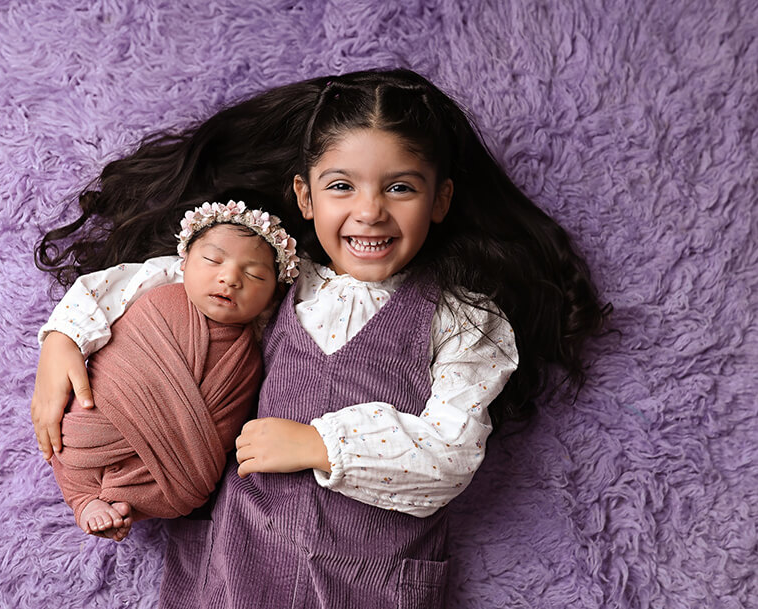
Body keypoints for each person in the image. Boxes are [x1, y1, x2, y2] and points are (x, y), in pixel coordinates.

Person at [32, 69, 608, 608]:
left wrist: (320, 443)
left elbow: (452, 454)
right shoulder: (277, 278)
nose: (370, 212)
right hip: (238, 563)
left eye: (401, 188)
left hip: (371, 579)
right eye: (341, 186)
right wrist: (64, 335)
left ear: (441, 200)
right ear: (306, 198)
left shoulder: (464, 321)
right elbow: (166, 276)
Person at [48, 199, 299, 542]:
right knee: (77, 436)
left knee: (169, 488)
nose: (229, 278)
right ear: (184, 262)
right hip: (109, 410)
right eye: (212, 260)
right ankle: (83, 496)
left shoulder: (258, 340)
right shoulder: (158, 283)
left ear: (273, 295)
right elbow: (93, 295)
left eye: (254, 274)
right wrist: (62, 341)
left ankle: (115, 503)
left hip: (182, 455)